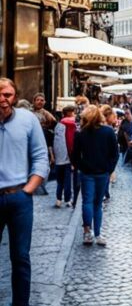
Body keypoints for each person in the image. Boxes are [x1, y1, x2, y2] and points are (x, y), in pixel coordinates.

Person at [0, 78, 48, 306]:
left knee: (20, 257)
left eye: (7, 95)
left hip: (19, 197)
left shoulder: (28, 120)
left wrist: (28, 189)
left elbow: (40, 157)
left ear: (15, 96)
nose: (3, 100)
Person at [72, 105, 119, 246]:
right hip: (102, 172)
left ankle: (87, 233)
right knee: (97, 204)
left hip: (87, 173)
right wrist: (109, 169)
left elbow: (74, 156)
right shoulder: (108, 132)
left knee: (87, 202)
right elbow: (115, 154)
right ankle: (97, 234)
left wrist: (81, 167)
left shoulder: (80, 133)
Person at [52, 106, 78, 209]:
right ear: (70, 113)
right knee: (67, 181)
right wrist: (73, 158)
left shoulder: (58, 125)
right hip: (66, 157)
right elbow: (70, 142)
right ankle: (67, 200)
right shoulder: (70, 124)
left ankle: (58, 199)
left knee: (59, 181)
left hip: (59, 158)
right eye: (73, 112)